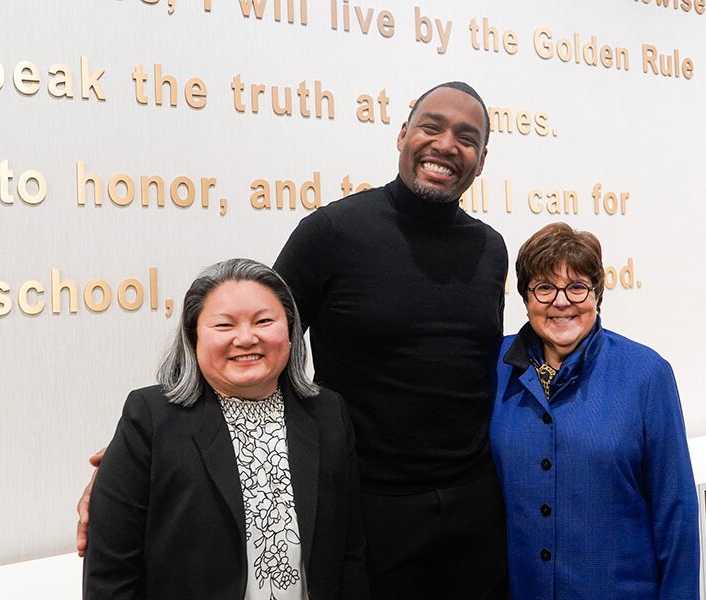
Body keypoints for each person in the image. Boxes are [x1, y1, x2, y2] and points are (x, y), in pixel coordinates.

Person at [79, 82, 508, 599]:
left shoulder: (490, 249)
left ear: (481, 160)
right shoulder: (334, 231)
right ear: (402, 135)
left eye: (467, 137)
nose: (445, 144)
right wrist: (133, 460)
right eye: (431, 126)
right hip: (367, 503)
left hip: (474, 502)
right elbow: (252, 343)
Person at [83, 259, 369, 600]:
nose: (246, 338)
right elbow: (112, 571)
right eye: (224, 325)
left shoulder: (328, 413)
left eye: (264, 321)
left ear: (291, 331)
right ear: (194, 336)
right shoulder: (150, 418)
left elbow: (350, 550)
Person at [490, 222, 699, 599]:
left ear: (597, 295)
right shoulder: (497, 368)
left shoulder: (646, 375)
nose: (561, 301)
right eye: (544, 288)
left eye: (577, 287)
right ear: (525, 298)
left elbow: (676, 511)